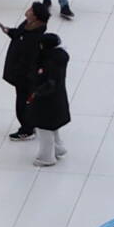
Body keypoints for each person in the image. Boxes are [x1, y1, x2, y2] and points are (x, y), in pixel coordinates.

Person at [31, 30, 71, 165]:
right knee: (52, 127)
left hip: (47, 102)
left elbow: (49, 84)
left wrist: (37, 92)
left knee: (44, 129)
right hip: (57, 100)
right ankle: (58, 148)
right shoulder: (59, 59)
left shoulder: (49, 62)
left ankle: (46, 157)